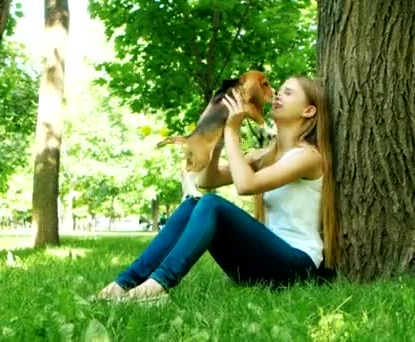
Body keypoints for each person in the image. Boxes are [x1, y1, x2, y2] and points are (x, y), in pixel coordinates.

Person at [96, 76, 339, 302]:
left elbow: (245, 186)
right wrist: (220, 141)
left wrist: (233, 131)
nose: (277, 95)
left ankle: (157, 286)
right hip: (260, 264)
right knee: (193, 203)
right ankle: (121, 285)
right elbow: (207, 180)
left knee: (212, 204)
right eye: (279, 90)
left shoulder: (308, 157)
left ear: (308, 110)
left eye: (288, 92)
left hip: (296, 265)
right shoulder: (264, 155)